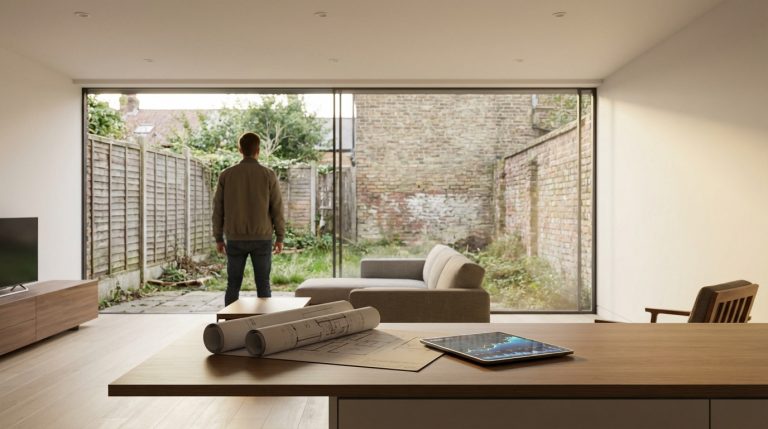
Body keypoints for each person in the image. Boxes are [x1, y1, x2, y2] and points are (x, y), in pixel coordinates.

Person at [212, 132, 285, 306]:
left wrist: (218, 238)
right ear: (258, 150)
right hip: (262, 238)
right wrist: (280, 237)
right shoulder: (269, 175)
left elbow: (218, 209)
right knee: (263, 285)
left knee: (233, 285)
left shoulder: (226, 175)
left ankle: (228, 325)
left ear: (240, 150)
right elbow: (277, 208)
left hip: (235, 239)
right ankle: (264, 326)